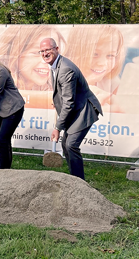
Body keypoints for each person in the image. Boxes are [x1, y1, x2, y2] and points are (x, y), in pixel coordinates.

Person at [40, 38, 102, 180]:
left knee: (71, 145)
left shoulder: (66, 69)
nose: (45, 53)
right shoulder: (55, 65)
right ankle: (74, 180)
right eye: (42, 51)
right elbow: (65, 94)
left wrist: (58, 127)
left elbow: (69, 102)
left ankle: (79, 183)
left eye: (48, 50)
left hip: (84, 110)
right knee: (66, 144)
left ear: (56, 49)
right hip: (76, 108)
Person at [64, 25, 125, 108]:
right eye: (94, 54)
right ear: (75, 52)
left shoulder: (110, 81)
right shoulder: (62, 76)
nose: (102, 63)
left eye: (110, 55)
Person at [0, 25, 66, 91]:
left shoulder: (53, 89)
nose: (47, 61)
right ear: (14, 53)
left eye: (52, 53)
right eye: (38, 52)